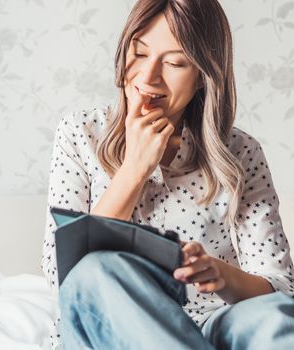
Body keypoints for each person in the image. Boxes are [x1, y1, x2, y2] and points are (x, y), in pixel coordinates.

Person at [41, 0, 294, 349]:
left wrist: (221, 275)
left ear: (205, 74)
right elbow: (62, 277)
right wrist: (135, 168)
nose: (147, 77)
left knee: (273, 316)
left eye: (174, 63)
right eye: (140, 53)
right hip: (109, 329)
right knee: (94, 269)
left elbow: (280, 285)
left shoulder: (240, 152)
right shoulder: (80, 133)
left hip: (209, 324)